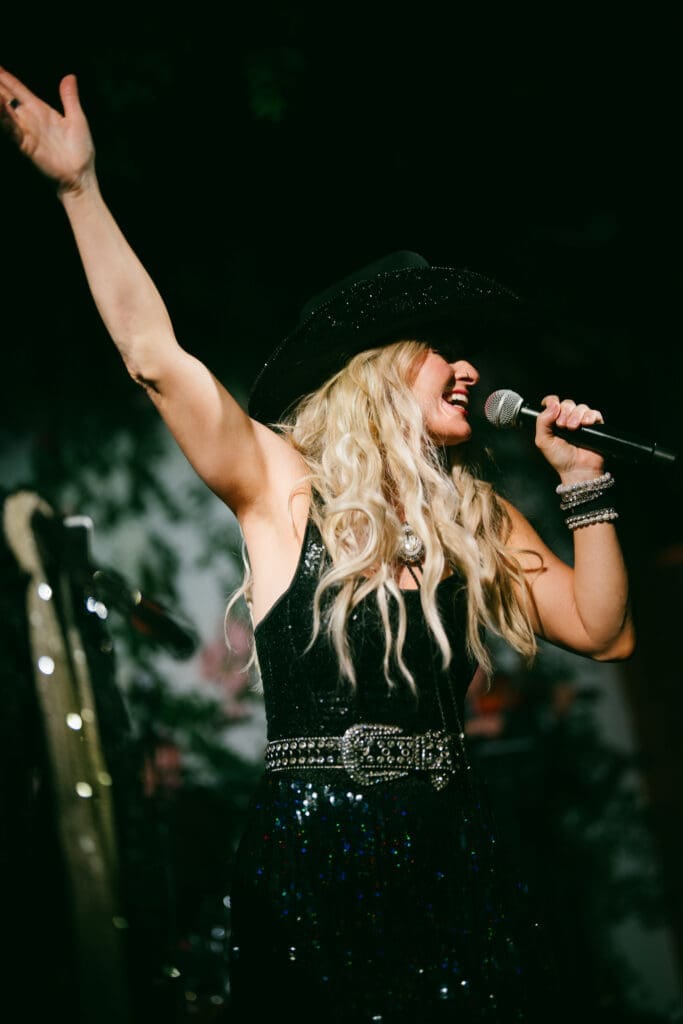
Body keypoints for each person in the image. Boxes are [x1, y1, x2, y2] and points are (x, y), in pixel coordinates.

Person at [0, 67, 635, 1023]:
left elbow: (603, 631)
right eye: (439, 348)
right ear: (376, 370)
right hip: (318, 859)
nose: (468, 366)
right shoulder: (279, 483)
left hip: (455, 856)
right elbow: (154, 358)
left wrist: (584, 488)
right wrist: (79, 189)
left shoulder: (476, 515)